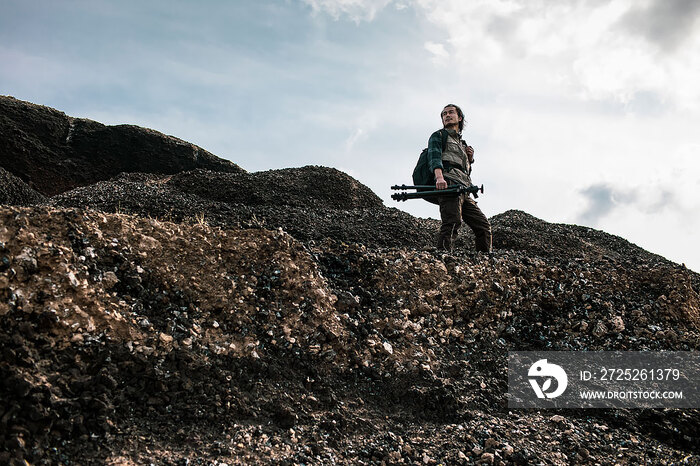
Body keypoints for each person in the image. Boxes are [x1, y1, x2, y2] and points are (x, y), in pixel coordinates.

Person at [428, 104, 492, 253]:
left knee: (483, 226)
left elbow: (464, 170)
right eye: (444, 114)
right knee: (452, 222)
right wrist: (439, 178)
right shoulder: (438, 136)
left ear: (460, 117)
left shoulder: (462, 144)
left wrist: (470, 159)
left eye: (451, 112)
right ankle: (443, 257)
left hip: (464, 188)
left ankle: (485, 261)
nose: (447, 115)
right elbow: (434, 158)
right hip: (448, 183)